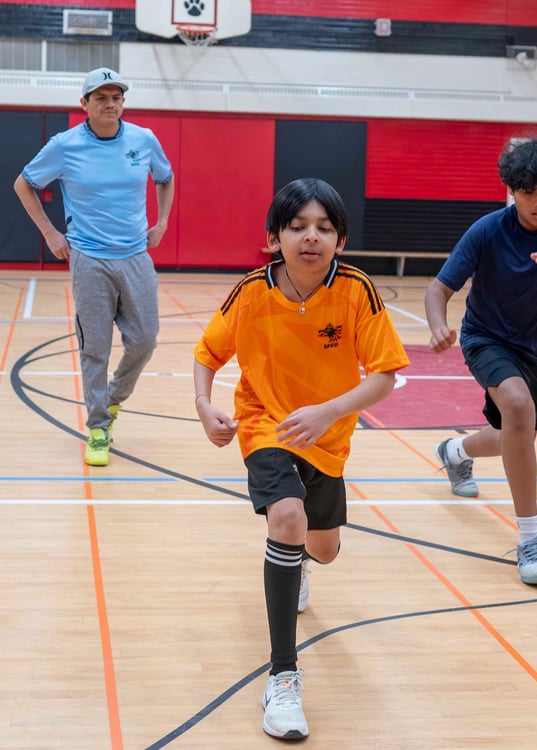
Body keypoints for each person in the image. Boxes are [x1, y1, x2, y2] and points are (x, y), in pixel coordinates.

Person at [193, 178, 409, 740]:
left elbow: (385, 375)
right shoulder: (250, 292)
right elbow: (207, 353)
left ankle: (301, 562)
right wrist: (202, 404)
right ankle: (283, 676)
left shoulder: (358, 290)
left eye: (324, 227)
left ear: (341, 239)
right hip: (266, 423)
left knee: (323, 548)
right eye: (297, 226)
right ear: (275, 237)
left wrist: (327, 412)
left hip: (328, 439)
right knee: (286, 517)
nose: (310, 237)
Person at [425, 136, 537, 585]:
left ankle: (455, 450)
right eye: (528, 193)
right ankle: (531, 538)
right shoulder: (488, 229)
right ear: (512, 191)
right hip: (485, 338)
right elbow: (438, 288)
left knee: (514, 434)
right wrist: (437, 324)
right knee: (518, 409)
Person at [13, 67, 175, 467]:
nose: (110, 104)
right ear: (84, 104)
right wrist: (51, 233)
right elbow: (23, 184)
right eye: (100, 97)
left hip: (136, 255)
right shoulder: (64, 145)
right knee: (95, 349)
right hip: (89, 259)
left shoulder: (144, 139)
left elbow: (165, 178)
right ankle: (99, 427)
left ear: (123, 102)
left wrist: (163, 222)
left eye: (116, 96)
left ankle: (113, 399)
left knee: (146, 341)